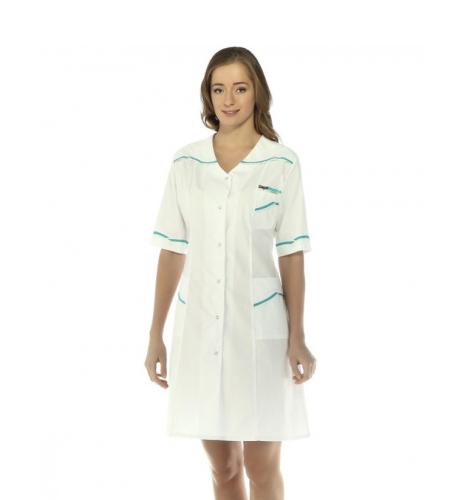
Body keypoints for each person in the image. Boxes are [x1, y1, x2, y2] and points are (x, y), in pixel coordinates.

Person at [144, 46, 317, 500]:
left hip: (261, 333)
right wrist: (155, 334)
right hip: (200, 328)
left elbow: (292, 254)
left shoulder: (282, 162)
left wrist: (298, 336)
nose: (229, 99)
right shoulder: (186, 163)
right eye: (218, 89)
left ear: (257, 92)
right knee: (222, 467)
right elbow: (172, 250)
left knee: (261, 465)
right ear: (208, 95)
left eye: (240, 88)